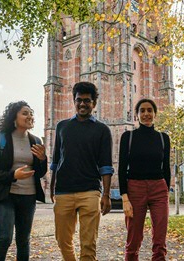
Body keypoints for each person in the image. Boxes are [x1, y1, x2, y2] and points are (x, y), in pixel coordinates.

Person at [50, 81, 114, 261]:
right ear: (74, 101)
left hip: (90, 191)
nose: (82, 104)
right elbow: (56, 160)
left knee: (88, 244)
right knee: (63, 240)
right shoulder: (62, 126)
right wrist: (52, 186)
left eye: (87, 100)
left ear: (94, 103)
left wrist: (106, 195)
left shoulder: (102, 130)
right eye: (79, 100)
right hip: (63, 191)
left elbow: (106, 165)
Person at [0, 101, 47, 261]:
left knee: (23, 241)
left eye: (31, 113)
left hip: (28, 197)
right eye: (25, 113)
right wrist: (13, 176)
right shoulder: (0, 138)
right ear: (14, 117)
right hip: (5, 196)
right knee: (4, 238)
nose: (30, 116)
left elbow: (40, 173)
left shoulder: (36, 140)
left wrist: (42, 159)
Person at [118, 99, 171, 261]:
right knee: (133, 239)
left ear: (155, 114)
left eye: (149, 110)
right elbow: (121, 168)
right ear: (137, 115)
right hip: (135, 188)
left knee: (160, 240)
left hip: (159, 189)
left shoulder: (163, 138)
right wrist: (125, 198)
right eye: (142, 111)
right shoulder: (128, 137)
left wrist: (166, 191)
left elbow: (166, 168)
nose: (146, 114)